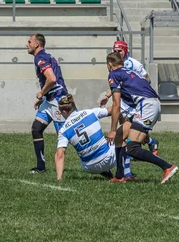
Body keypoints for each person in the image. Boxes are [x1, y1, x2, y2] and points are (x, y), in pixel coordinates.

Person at [106, 51, 177, 184]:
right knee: (120, 136)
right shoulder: (130, 72)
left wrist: (112, 129)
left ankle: (167, 167)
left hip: (146, 105)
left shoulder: (114, 74)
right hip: (148, 104)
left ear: (110, 65)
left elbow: (116, 104)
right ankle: (120, 175)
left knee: (132, 148)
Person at [99, 40, 158, 156]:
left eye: (119, 50)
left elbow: (147, 78)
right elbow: (117, 85)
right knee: (124, 122)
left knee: (130, 125)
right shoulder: (115, 66)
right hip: (124, 96)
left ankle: (129, 149)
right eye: (115, 51)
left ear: (125, 51)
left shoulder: (133, 63)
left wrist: (138, 87)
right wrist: (106, 96)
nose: (117, 53)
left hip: (135, 98)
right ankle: (148, 142)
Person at [54, 94, 130, 181]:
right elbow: (114, 109)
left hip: (89, 167)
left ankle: (106, 171)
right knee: (127, 130)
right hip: (109, 159)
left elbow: (60, 154)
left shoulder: (63, 130)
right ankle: (127, 174)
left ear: (64, 112)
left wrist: (59, 179)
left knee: (104, 140)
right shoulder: (90, 112)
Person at [27, 33, 68, 174]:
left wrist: (41, 93)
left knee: (67, 136)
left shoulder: (40, 57)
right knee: (36, 129)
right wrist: (42, 98)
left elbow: (51, 78)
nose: (27, 44)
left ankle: (97, 161)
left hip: (58, 101)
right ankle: (41, 167)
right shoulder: (45, 56)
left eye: (29, 41)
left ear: (37, 44)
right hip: (49, 100)